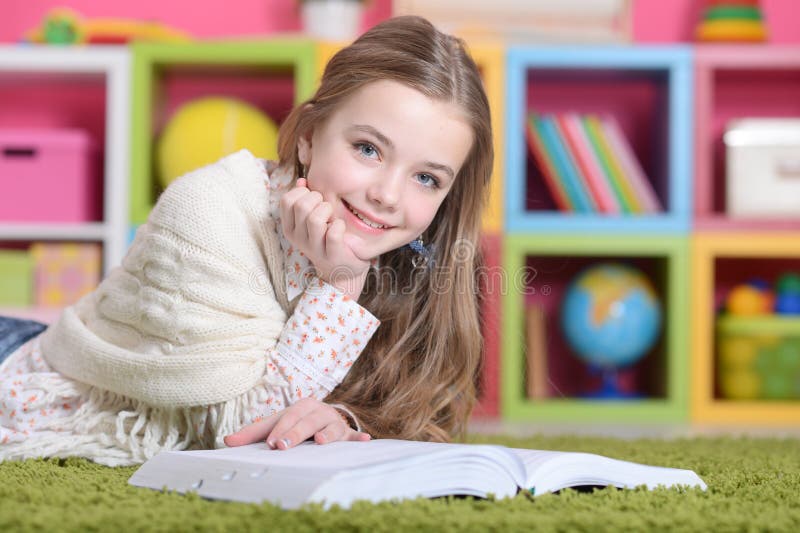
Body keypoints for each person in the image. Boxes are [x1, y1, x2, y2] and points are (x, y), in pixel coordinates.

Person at [0, 15, 493, 466]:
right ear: (308, 136)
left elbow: (423, 413)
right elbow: (238, 435)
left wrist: (345, 420)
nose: (387, 194)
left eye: (427, 178)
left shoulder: (408, 251)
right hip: (33, 370)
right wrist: (340, 287)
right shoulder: (209, 208)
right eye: (368, 149)